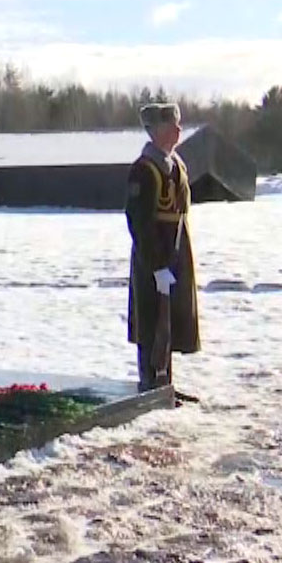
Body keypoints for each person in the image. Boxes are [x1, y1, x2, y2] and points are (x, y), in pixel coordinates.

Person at [125, 101, 201, 398]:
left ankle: (165, 383)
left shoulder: (175, 164)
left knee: (169, 319)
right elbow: (140, 221)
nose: (178, 130)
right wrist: (156, 265)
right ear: (155, 130)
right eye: (171, 125)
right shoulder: (144, 169)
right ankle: (150, 383)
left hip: (177, 249)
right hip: (152, 254)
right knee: (151, 318)